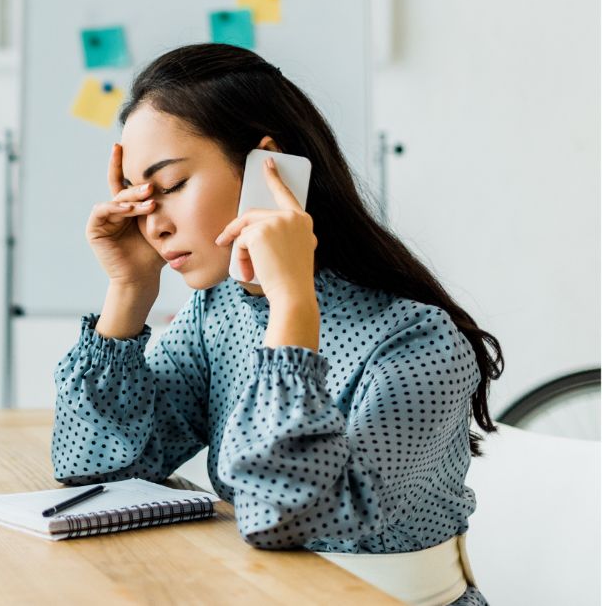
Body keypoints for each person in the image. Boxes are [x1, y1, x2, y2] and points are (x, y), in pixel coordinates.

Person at [52, 44, 503, 606]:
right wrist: (129, 291)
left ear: (268, 169)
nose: (155, 225)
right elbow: (95, 465)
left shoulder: (418, 342)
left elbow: (279, 517)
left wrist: (292, 308)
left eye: (169, 186)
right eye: (140, 199)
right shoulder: (219, 312)